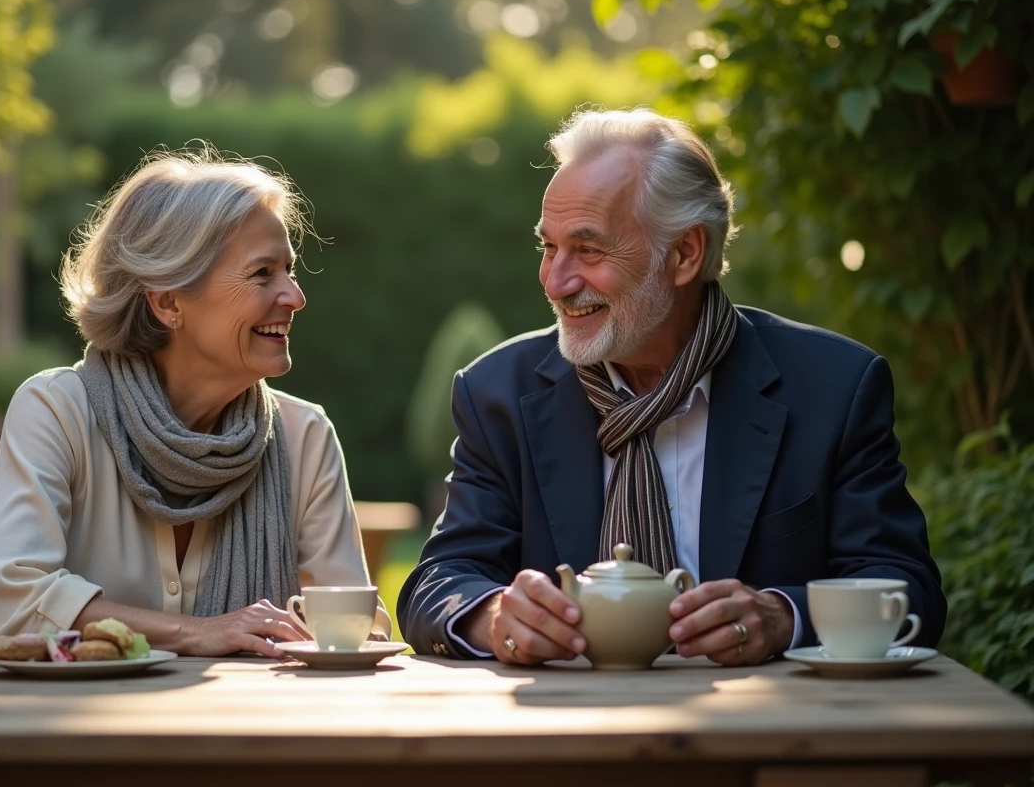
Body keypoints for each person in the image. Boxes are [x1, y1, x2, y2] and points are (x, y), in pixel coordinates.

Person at [398, 107, 944, 666]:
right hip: (564, 734)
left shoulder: (835, 388)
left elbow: (905, 588)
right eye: (548, 247)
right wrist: (491, 617)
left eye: (588, 250)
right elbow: (438, 583)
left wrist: (786, 617)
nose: (556, 282)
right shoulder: (497, 394)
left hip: (765, 730)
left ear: (685, 253)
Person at [0, 147, 388, 657]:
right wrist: (200, 631)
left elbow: (354, 627)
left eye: (289, 270)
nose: (295, 296)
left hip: (252, 733)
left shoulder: (305, 438)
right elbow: (5, 606)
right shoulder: (56, 412)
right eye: (262, 274)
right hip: (83, 733)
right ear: (168, 302)